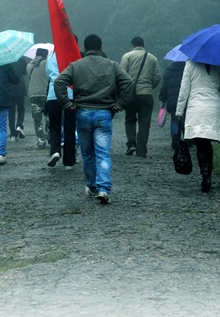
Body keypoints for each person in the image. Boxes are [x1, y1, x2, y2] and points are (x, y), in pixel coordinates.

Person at [55, 34, 133, 204]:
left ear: (84, 49)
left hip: (82, 113)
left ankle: (92, 187)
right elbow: (128, 82)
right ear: (101, 48)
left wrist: (67, 104)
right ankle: (104, 188)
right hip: (104, 114)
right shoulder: (112, 65)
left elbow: (59, 82)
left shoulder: (75, 65)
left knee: (88, 154)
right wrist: (119, 105)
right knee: (103, 153)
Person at [175, 59, 220, 193]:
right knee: (206, 142)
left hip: (196, 107)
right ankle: (207, 175)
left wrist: (179, 110)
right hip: (213, 107)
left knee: (201, 143)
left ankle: (206, 176)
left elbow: (184, 89)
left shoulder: (190, 63)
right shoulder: (219, 64)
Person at [120, 36, 162, 157]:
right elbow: (157, 76)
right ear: (144, 45)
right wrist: (149, 86)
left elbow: (121, 75)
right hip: (146, 93)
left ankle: (131, 143)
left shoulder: (127, 56)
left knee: (130, 119)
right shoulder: (152, 57)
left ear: (132, 46)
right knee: (144, 122)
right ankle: (141, 151)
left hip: (131, 94)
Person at [45, 50, 78, 169]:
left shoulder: (50, 57)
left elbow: (48, 75)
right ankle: (69, 162)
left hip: (53, 95)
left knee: (54, 126)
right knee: (70, 128)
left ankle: (55, 151)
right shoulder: (72, 56)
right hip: (70, 94)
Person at [158, 60, 186, 151]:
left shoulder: (169, 70)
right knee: (185, 120)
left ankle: (175, 134)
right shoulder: (188, 68)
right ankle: (187, 140)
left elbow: (164, 86)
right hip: (185, 99)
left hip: (172, 100)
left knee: (174, 119)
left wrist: (162, 98)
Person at [26, 48, 49, 148]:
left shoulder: (29, 65)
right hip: (46, 94)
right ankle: (50, 137)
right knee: (48, 117)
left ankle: (41, 140)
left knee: (37, 119)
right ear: (45, 55)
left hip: (33, 94)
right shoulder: (47, 63)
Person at [8, 56, 29, 142]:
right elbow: (25, 72)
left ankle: (13, 134)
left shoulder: (6, 59)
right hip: (20, 86)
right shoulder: (21, 58)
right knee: (21, 108)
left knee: (11, 112)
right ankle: (19, 126)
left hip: (9, 87)